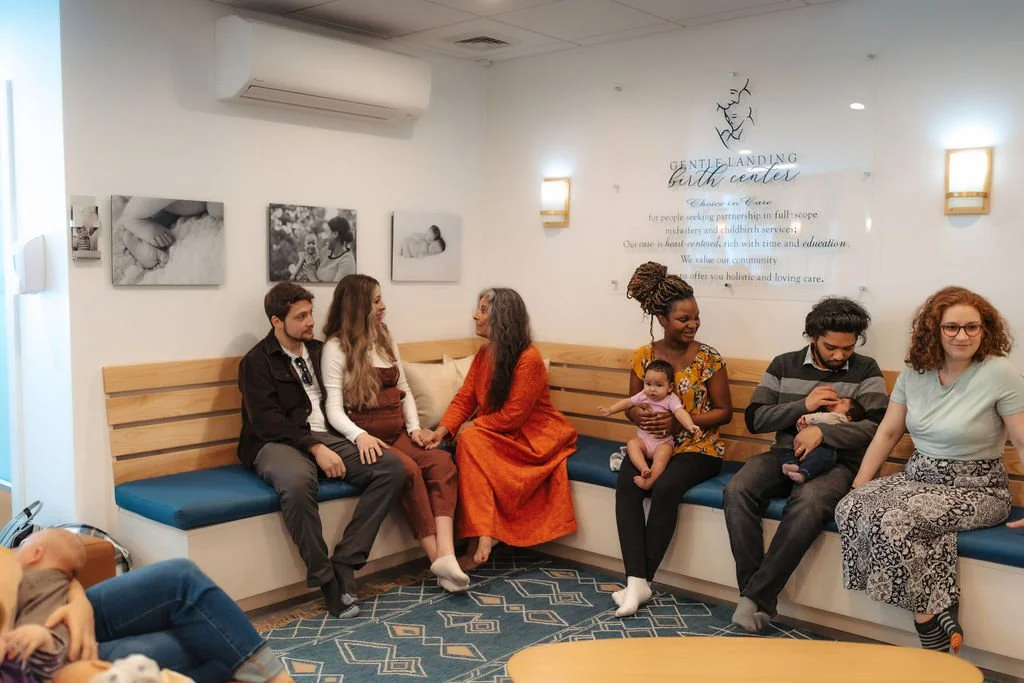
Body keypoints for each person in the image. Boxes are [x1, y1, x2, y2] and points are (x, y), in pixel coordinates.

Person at [836, 286, 1024, 654]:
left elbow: (1021, 439)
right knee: (850, 507)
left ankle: (928, 620)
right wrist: (860, 483)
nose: (962, 336)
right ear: (934, 330)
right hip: (918, 478)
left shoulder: (1000, 373)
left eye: (972, 327)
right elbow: (889, 430)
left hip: (977, 489)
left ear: (985, 330)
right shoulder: (915, 372)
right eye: (951, 327)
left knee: (897, 520)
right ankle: (942, 609)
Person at [237, 283, 405, 618]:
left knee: (391, 469)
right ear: (277, 321)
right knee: (298, 485)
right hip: (277, 442)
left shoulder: (318, 350)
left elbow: (339, 400)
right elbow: (268, 422)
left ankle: (346, 561)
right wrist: (314, 447)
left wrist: (357, 436)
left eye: (310, 313)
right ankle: (325, 577)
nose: (310, 321)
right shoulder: (256, 362)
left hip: (326, 436)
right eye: (300, 317)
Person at [723, 296, 888, 633]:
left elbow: (875, 428)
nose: (841, 355)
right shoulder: (783, 364)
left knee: (809, 503)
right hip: (783, 454)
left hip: (837, 463)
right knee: (737, 489)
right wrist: (804, 405)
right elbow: (755, 419)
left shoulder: (866, 369)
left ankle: (752, 600)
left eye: (848, 347)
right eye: (832, 347)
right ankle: (755, 595)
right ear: (812, 336)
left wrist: (821, 433)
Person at [321, 275, 468, 593]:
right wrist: (359, 435)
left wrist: (414, 429)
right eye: (376, 301)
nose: (383, 306)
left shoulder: (385, 337)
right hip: (368, 438)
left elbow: (404, 390)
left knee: (441, 463)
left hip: (399, 433)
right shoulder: (335, 348)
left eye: (381, 299)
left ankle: (448, 554)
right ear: (357, 305)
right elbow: (333, 409)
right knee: (407, 470)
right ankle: (437, 561)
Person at [420, 288, 577, 570]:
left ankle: (483, 534)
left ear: (501, 319)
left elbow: (513, 417)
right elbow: (465, 397)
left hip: (532, 436)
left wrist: (474, 425)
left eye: (482, 310)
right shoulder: (484, 353)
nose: (475, 315)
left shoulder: (528, 358)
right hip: (498, 432)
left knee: (470, 440)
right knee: (469, 440)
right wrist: (442, 431)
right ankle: (485, 533)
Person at [611, 262, 733, 617]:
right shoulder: (644, 356)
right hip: (653, 445)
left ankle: (638, 580)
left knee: (664, 487)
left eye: (696, 317)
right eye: (683, 319)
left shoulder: (709, 358)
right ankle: (638, 582)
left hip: (699, 448)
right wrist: (642, 417)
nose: (692, 324)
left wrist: (680, 424)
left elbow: (724, 411)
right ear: (662, 319)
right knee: (629, 485)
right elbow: (632, 406)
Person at [45, 559, 294, 683]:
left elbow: (57, 571)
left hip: (60, 607)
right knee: (216, 641)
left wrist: (76, 602)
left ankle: (271, 676)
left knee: (180, 575)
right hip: (49, 661)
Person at [598, 359, 702, 491]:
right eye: (647, 384)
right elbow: (627, 402)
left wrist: (690, 425)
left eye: (659, 385)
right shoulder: (643, 396)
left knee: (662, 458)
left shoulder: (671, 399)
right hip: (644, 442)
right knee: (632, 444)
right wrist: (610, 410)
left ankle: (649, 482)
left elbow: (680, 412)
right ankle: (644, 468)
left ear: (669, 387)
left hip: (663, 442)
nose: (652, 389)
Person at [0, 530, 86, 683]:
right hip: (48, 657)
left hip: (48, 651)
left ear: (36, 554)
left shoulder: (32, 581)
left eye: (23, 545)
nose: (18, 551)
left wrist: (79, 600)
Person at [782, 397, 866, 484]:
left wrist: (807, 419)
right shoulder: (825, 416)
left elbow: (822, 418)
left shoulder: (840, 418)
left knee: (819, 458)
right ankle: (792, 465)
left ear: (849, 417)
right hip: (808, 446)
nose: (836, 401)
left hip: (824, 448)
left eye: (842, 402)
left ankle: (803, 473)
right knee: (790, 451)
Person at [315, 216, 356, 282]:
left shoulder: (347, 261)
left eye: (326, 232)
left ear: (335, 234)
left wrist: (311, 277)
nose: (323, 237)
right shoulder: (325, 251)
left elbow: (335, 289)